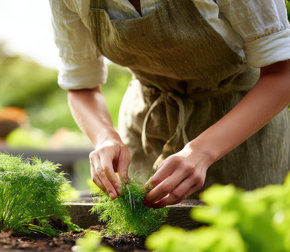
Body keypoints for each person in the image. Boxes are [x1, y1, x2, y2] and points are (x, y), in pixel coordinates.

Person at [48, 0, 290, 208]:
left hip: (241, 123)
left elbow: (283, 73)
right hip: (148, 125)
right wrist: (104, 137)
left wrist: (202, 151)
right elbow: (82, 86)